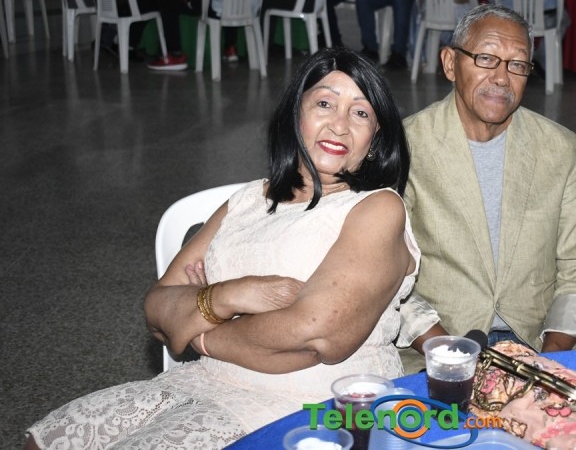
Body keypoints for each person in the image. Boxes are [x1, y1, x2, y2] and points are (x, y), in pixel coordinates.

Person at [25, 46, 419, 449]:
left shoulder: (377, 208)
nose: (339, 125)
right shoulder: (248, 199)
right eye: (324, 103)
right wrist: (229, 295)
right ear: (294, 114)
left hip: (312, 403)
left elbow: (316, 334)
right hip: (202, 379)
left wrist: (199, 335)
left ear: (375, 140)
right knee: (45, 440)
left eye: (360, 113)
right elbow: (156, 309)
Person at [396, 4, 576, 373]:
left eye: (517, 64)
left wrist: (549, 364)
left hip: (542, 339)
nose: (501, 78)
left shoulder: (564, 151)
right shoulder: (404, 148)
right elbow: (384, 276)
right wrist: (449, 355)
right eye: (486, 58)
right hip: (435, 343)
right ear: (450, 63)